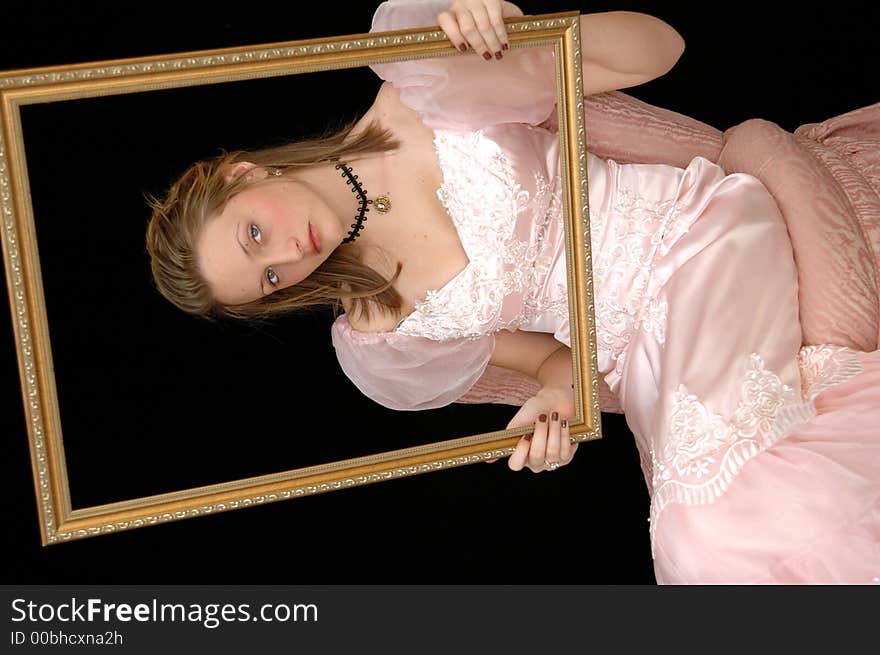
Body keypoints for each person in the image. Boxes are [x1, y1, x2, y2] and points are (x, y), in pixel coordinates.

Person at [145, 0, 880, 583]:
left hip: (695, 240)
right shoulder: (381, 336)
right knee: (705, 551)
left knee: (708, 536)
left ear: (244, 174)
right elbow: (555, 366)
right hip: (645, 357)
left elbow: (662, 47)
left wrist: (524, 37)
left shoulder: (421, 80)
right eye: (269, 280)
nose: (287, 259)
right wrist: (559, 404)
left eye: (252, 235)